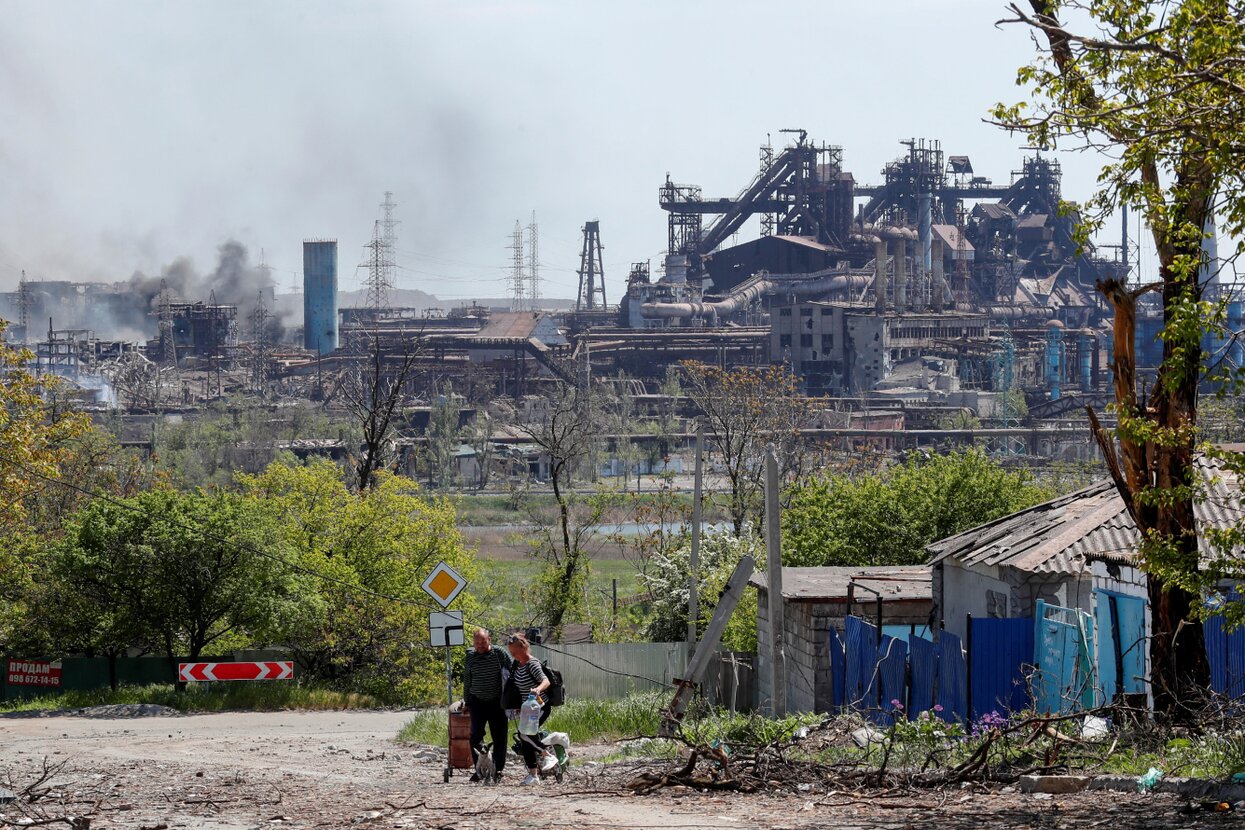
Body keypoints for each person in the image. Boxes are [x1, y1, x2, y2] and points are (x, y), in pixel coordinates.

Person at [505, 632, 556, 785]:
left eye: (514, 651)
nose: (512, 654)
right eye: (511, 652)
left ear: (523, 647)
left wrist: (538, 689)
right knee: (524, 739)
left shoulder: (532, 663)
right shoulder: (517, 665)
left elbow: (545, 681)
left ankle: (548, 755)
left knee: (524, 735)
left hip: (540, 706)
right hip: (528, 708)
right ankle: (533, 776)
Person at [462, 628, 511, 781]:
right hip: (477, 701)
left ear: (489, 640)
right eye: (477, 643)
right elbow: (467, 680)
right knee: (475, 735)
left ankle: (498, 769)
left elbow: (511, 671)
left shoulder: (499, 653)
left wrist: (512, 698)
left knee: (499, 736)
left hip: (497, 702)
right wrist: (467, 701)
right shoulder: (470, 656)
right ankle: (480, 769)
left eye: (483, 642)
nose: (480, 645)